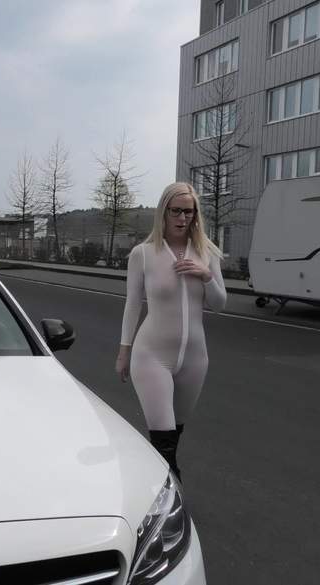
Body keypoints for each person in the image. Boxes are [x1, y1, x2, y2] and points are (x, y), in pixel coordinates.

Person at [115, 182, 227, 481]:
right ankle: (168, 493)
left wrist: (206, 276)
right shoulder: (143, 254)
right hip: (151, 355)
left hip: (195, 358)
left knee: (174, 434)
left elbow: (219, 304)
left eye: (189, 212)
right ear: (163, 212)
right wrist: (124, 351)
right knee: (163, 442)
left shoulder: (207, 252)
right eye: (176, 211)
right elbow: (132, 304)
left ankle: (158, 485)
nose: (182, 218)